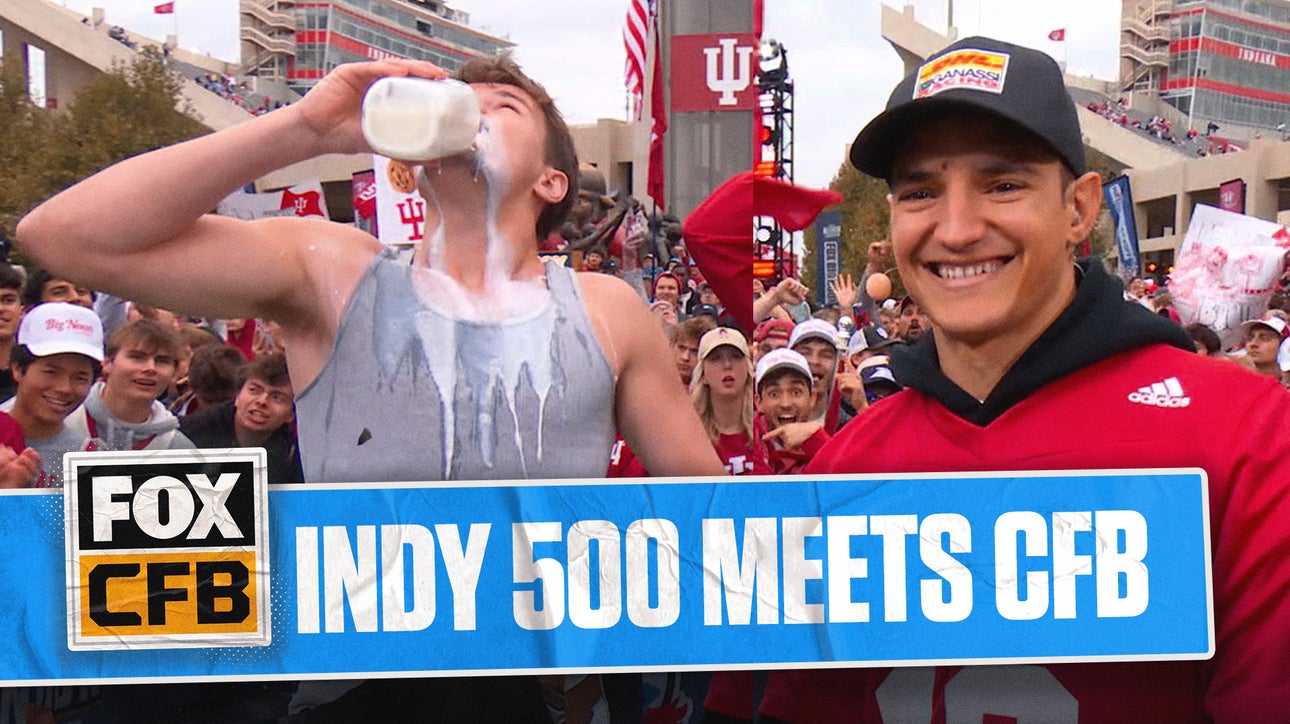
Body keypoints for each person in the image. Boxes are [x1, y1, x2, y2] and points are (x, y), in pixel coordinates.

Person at [19, 53, 724, 720]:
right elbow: (65, 236)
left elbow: (717, 515)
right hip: (350, 686)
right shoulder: (333, 269)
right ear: (411, 168)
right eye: (457, 102)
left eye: (500, 106)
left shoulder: (605, 308)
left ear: (550, 181)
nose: (469, 112)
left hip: (531, 690)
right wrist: (306, 127)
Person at [788, 35, 1290, 721]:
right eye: (921, 191)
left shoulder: (1250, 436)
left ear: (1080, 210)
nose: (957, 228)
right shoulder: (840, 474)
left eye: (1003, 184)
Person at [1, 303, 103, 488]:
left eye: (80, 378)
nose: (64, 388)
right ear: (17, 369)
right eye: (51, 372)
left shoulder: (93, 462)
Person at [66, 318, 196, 451]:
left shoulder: (178, 450)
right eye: (137, 357)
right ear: (107, 363)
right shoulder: (64, 419)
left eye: (162, 361)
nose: (150, 368)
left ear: (175, 373)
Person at [180, 353, 303, 485]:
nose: (262, 401)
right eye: (254, 390)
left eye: (277, 397)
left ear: (291, 415)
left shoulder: (294, 454)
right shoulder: (187, 434)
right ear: (237, 396)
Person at [689, 327, 769, 476]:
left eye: (735, 356)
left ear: (748, 368)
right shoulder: (686, 435)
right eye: (715, 358)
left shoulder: (765, 430)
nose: (727, 365)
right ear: (703, 374)